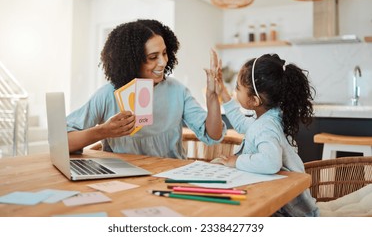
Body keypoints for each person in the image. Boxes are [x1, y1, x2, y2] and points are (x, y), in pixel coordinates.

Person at [66, 19, 226, 158]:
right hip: (125, 183)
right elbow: (63, 142)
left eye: (164, 53)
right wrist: (103, 131)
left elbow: (213, 135)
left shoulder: (177, 91)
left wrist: (212, 98)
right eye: (153, 57)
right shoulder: (109, 94)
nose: (163, 62)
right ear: (131, 61)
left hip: (171, 178)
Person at [211, 51, 319, 217]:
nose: (235, 92)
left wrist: (237, 161)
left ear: (254, 101)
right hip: (289, 205)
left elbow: (270, 163)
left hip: (292, 213)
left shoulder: (266, 127)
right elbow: (241, 124)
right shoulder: (268, 117)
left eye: (238, 88)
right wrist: (223, 92)